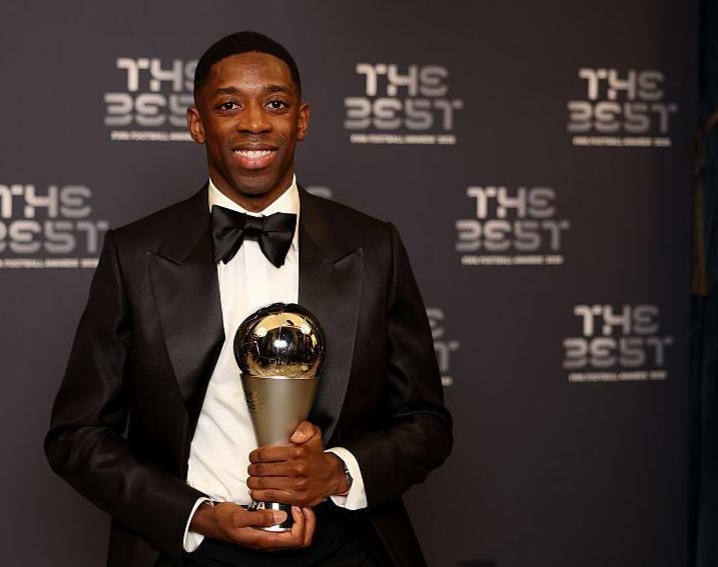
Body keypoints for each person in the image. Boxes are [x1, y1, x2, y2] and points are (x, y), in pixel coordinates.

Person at [44, 31, 452, 567]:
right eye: (229, 104)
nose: (255, 122)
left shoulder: (374, 247)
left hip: (345, 545)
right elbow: (77, 437)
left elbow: (427, 421)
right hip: (191, 548)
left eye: (275, 103)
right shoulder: (135, 254)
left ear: (301, 120)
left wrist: (340, 470)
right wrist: (199, 514)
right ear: (198, 124)